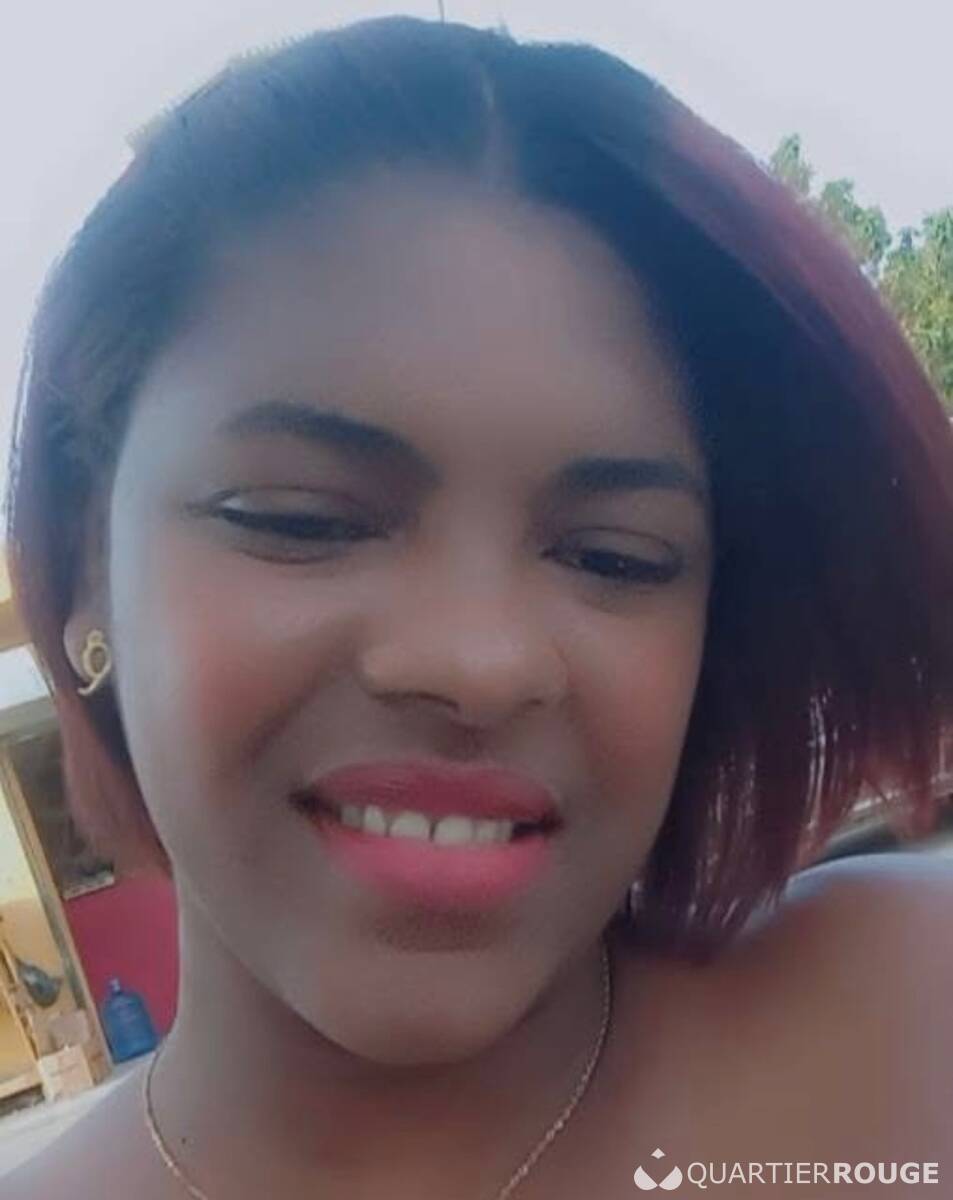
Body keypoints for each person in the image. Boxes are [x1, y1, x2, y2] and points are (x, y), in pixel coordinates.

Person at [4, 15, 952, 1199]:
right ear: (85, 561)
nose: (477, 661)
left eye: (612, 557)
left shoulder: (917, 1018)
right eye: (303, 520)